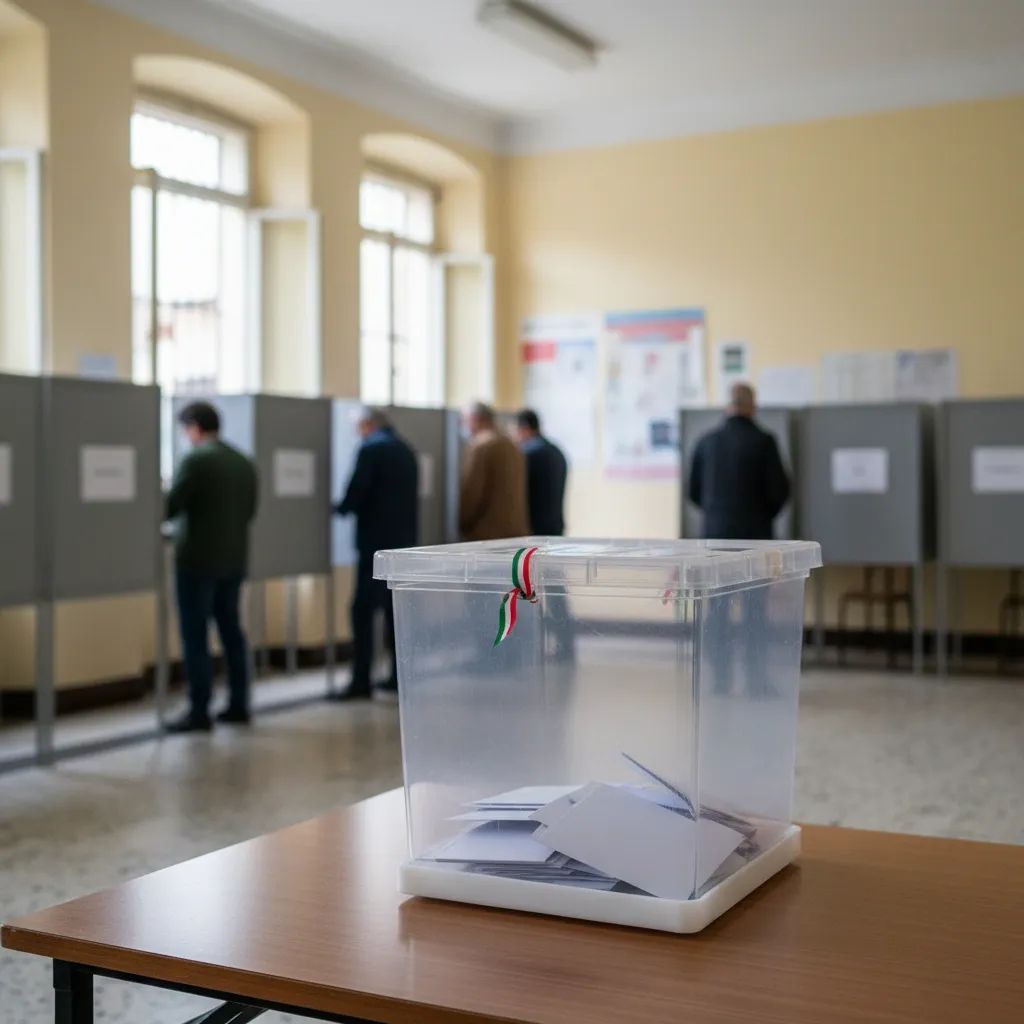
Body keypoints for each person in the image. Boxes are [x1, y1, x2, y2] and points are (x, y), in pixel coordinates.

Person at [165, 401, 259, 733]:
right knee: (232, 632)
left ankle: (199, 710)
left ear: (193, 427)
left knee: (195, 636)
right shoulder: (242, 461)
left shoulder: (195, 460)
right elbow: (250, 511)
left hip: (197, 560)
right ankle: (239, 703)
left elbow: (170, 506)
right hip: (234, 559)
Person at [333, 408, 418, 699]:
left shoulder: (370, 449)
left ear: (368, 425)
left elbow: (356, 492)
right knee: (393, 610)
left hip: (374, 545)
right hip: (402, 545)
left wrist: (339, 507)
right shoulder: (406, 450)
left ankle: (361, 680)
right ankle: (397, 676)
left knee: (362, 610)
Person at [688, 382, 790, 539]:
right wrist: (761, 515)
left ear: (727, 407)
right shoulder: (764, 441)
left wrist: (717, 514)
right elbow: (779, 490)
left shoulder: (706, 442)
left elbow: (693, 491)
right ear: (753, 406)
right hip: (756, 534)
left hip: (715, 533)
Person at [459, 401, 529, 541]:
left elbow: (472, 493)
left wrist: (461, 523)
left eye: (465, 421)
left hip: (487, 535)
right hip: (516, 533)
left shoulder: (481, 446)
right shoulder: (512, 444)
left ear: (475, 419)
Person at [515, 409, 568, 536]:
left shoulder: (528, 454)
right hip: (556, 526)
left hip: (535, 529)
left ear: (524, 428)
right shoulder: (557, 451)